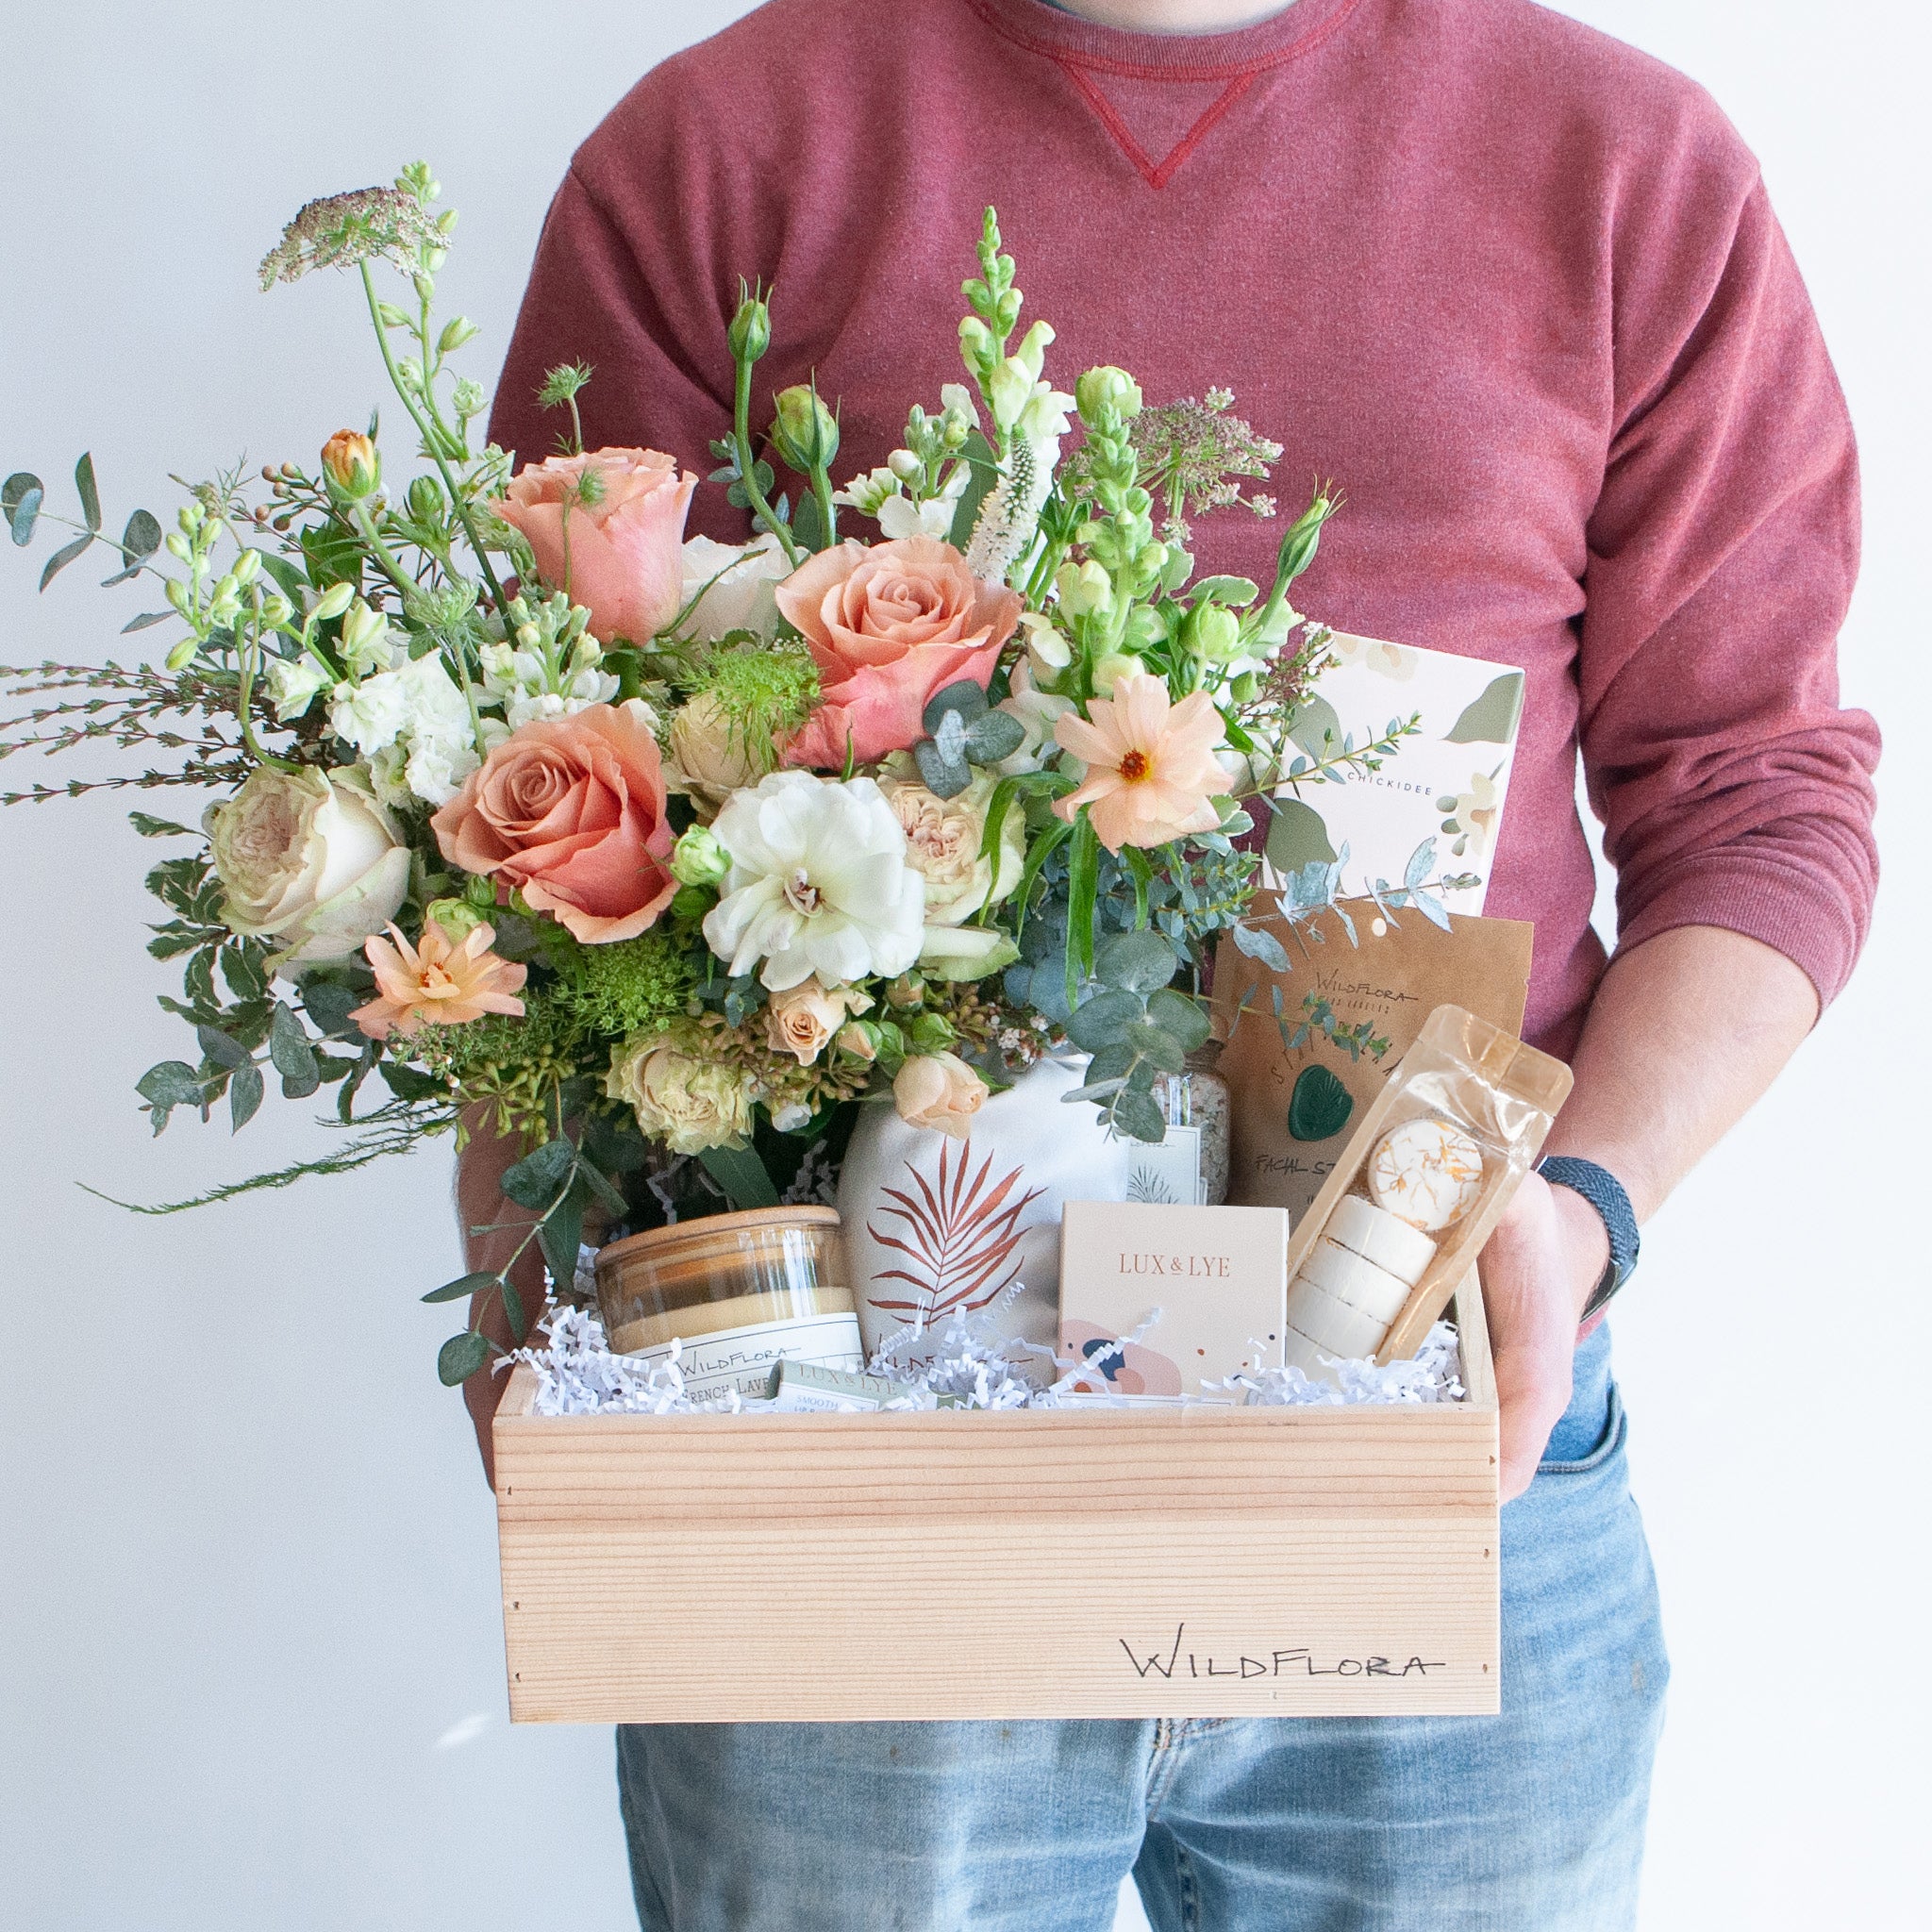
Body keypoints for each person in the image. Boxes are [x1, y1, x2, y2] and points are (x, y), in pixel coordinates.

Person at [458, 0, 1881, 1924]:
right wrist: (531, 1309)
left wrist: (1582, 1208)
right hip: (868, 1468)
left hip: (1448, 1428)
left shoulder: (1623, 170)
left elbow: (1760, 807)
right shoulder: (727, 153)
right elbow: (522, 821)